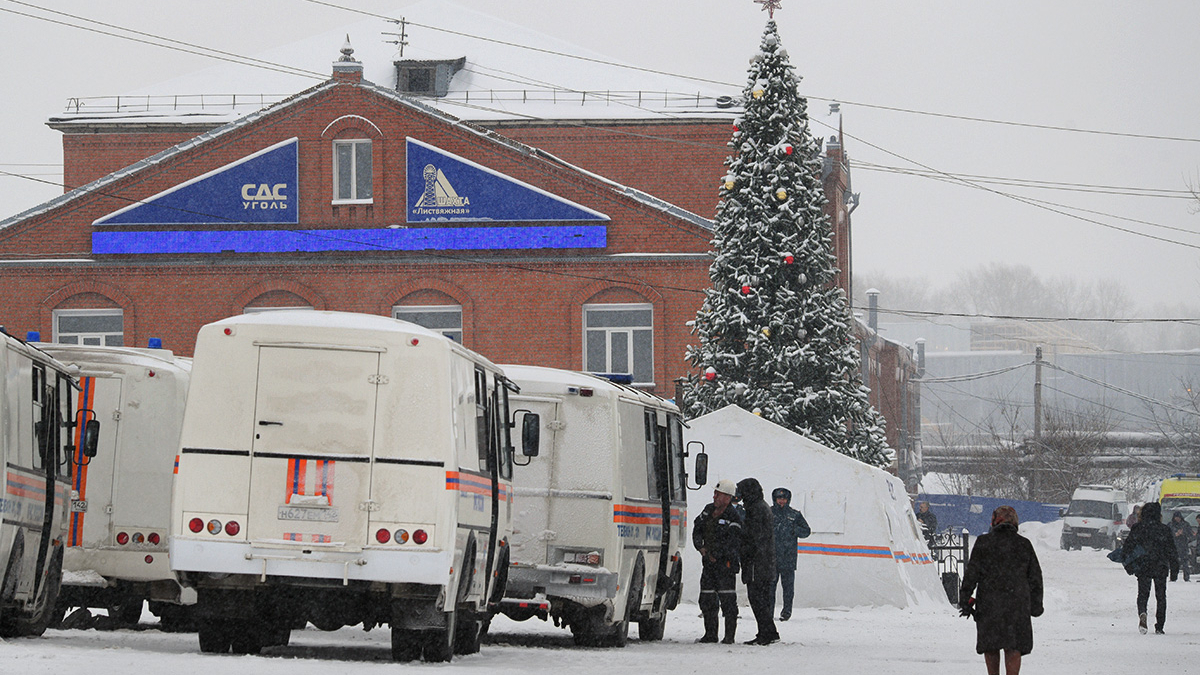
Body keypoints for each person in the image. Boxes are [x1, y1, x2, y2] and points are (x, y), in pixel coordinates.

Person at [959, 506, 1043, 675]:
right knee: (1013, 645)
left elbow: (971, 574)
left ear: (994, 521)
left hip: (990, 603)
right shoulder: (1024, 545)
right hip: (1017, 604)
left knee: (991, 645)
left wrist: (965, 599)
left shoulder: (983, 543)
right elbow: (1035, 578)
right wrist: (1036, 606)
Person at [692, 478, 743, 644]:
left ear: (728, 498)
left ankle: (729, 637)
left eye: (718, 494)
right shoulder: (708, 510)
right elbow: (697, 528)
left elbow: (733, 541)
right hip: (708, 564)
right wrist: (700, 547)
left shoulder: (733, 517)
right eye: (715, 493)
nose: (714, 497)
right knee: (707, 599)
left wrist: (718, 554)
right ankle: (710, 634)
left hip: (725, 566)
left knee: (728, 602)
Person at [1121, 501, 1178, 634]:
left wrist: (1128, 565)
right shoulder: (1164, 529)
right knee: (1161, 596)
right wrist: (1174, 569)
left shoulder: (1138, 528)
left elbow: (1128, 547)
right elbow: (1172, 551)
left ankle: (1142, 613)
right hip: (1160, 566)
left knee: (1142, 594)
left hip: (1143, 565)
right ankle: (1159, 626)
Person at [736, 477, 778, 646]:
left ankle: (765, 633)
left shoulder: (756, 509)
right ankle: (769, 631)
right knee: (763, 599)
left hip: (757, 562)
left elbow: (752, 536)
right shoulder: (761, 507)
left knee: (757, 599)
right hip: (764, 561)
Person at [770, 487, 811, 621]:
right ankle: (768, 611)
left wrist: (794, 529)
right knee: (770, 588)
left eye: (784, 499)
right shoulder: (769, 513)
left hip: (788, 558)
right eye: (779, 498)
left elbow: (806, 531)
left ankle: (786, 612)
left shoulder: (795, 515)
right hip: (772, 557)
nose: (781, 501)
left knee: (788, 588)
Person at [1168, 512, 1193, 582]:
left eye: (1179, 517)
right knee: (1173, 563)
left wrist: (1183, 533)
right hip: (1173, 546)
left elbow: (1191, 535)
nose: (1177, 519)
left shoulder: (1186, 524)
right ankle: (1173, 577)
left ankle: (1186, 577)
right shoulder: (1170, 525)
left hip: (1183, 546)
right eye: (1176, 517)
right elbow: (1167, 535)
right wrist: (1175, 534)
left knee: (1185, 563)